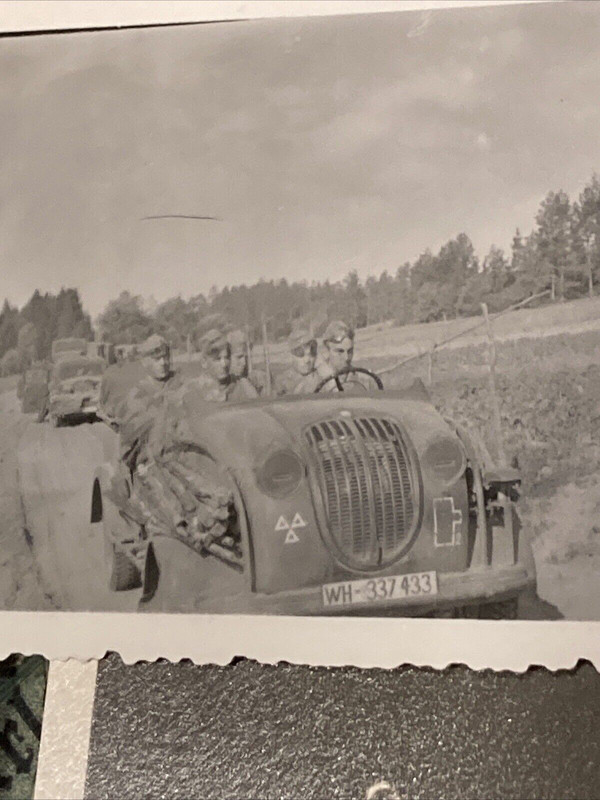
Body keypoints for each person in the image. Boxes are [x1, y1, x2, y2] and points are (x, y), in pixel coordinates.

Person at [189, 329, 258, 403]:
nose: (224, 364)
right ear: (204, 362)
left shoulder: (238, 385)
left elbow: (255, 403)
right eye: (218, 359)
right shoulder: (194, 389)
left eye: (226, 358)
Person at [317, 320, 380, 392]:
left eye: (350, 351)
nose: (346, 358)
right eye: (340, 351)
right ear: (327, 350)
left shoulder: (364, 381)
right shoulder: (315, 382)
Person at [274, 329, 319, 395]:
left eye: (312, 354)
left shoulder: (322, 376)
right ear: (291, 356)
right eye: (300, 354)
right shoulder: (282, 381)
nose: (307, 360)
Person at [227, 329, 266, 395]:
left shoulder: (257, 378)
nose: (244, 363)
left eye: (246, 358)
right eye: (239, 357)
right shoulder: (223, 386)